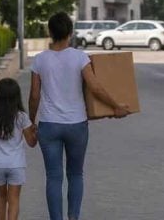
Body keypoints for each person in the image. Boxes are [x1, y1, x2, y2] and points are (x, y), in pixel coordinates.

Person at [29, 12, 130, 220]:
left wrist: (31, 122)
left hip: (49, 125)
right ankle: (73, 217)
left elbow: (34, 95)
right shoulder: (80, 57)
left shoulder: (39, 60)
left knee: (53, 178)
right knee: (75, 174)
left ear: (50, 32)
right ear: (70, 33)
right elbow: (95, 88)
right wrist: (116, 106)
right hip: (76, 125)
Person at [0, 77, 38, 220]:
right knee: (14, 200)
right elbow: (31, 142)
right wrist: (36, 133)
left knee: (0, 199)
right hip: (16, 164)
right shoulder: (22, 117)